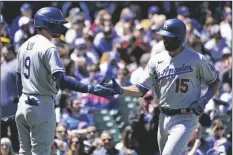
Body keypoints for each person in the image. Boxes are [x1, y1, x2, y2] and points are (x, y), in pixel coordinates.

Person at [103, 19, 220, 155]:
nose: (165, 40)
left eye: (170, 37)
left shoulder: (197, 59)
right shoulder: (156, 60)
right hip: (163, 117)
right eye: (164, 36)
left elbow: (215, 81)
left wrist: (204, 100)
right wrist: (121, 90)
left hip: (185, 116)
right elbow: (141, 89)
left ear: (180, 38)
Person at [15, 7, 116, 155]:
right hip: (41, 104)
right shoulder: (49, 47)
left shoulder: (24, 46)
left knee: (25, 152)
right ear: (47, 24)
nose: (61, 27)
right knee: (41, 152)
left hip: (23, 104)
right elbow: (61, 81)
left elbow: (18, 79)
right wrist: (90, 88)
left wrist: (22, 102)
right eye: (57, 23)